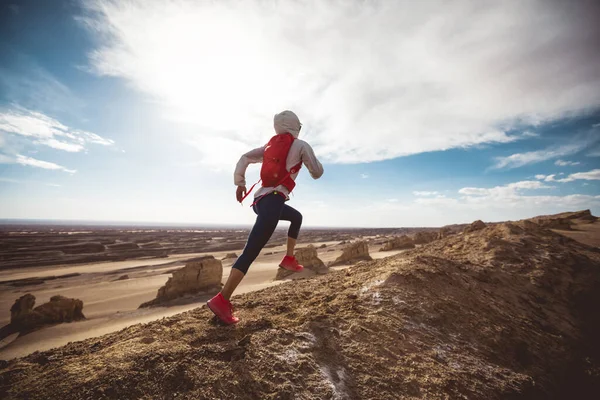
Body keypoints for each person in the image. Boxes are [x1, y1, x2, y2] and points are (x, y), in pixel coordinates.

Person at [207, 110, 324, 324]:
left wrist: (240, 183)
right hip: (274, 201)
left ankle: (289, 258)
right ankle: (222, 299)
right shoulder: (300, 145)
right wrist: (310, 161)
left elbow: (244, 158)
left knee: (296, 217)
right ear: (295, 125)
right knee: (250, 252)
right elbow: (316, 172)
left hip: (260, 201)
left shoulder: (269, 147)